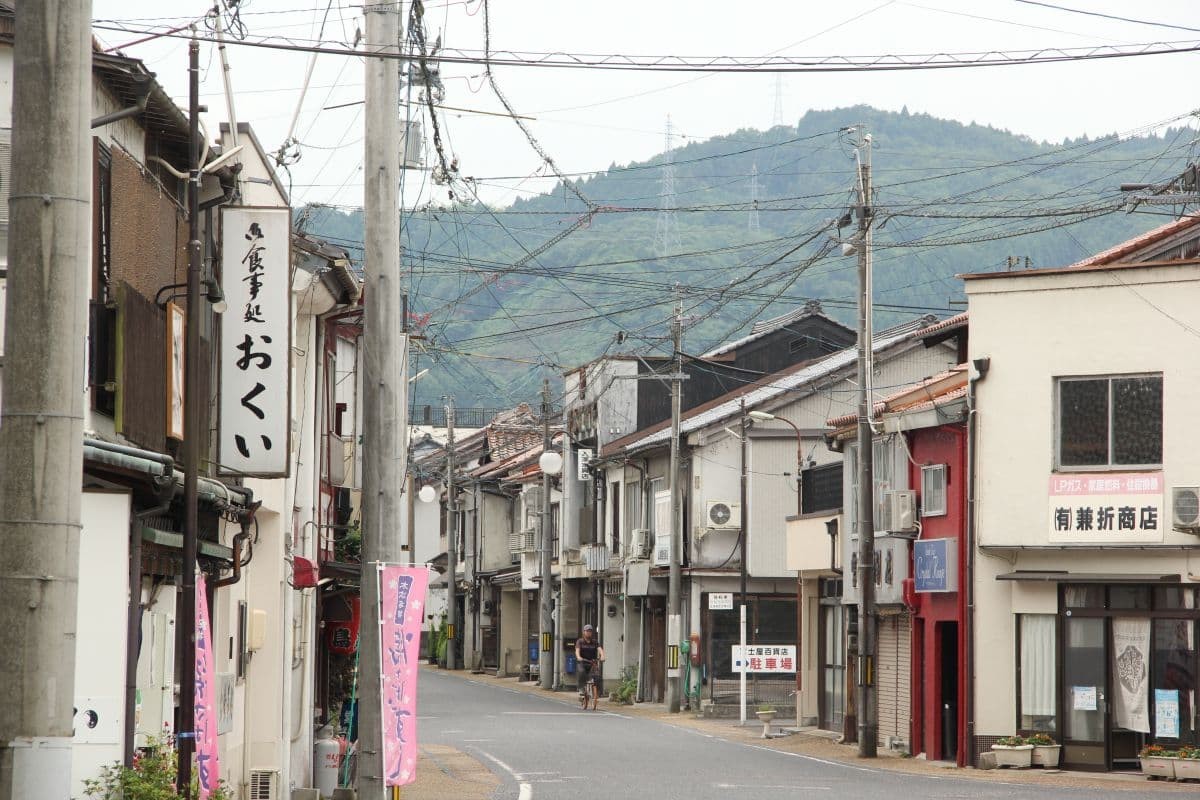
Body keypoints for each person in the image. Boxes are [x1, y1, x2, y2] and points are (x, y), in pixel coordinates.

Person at [575, 624, 605, 701]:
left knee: (597, 676)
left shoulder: (595, 642)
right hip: (582, 662)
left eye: (590, 631)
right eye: (587, 631)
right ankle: (581, 689)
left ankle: (597, 692)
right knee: (581, 672)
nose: (589, 632)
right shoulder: (580, 641)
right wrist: (579, 657)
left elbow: (600, 649)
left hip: (592, 662)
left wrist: (602, 656)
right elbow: (577, 651)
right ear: (584, 632)